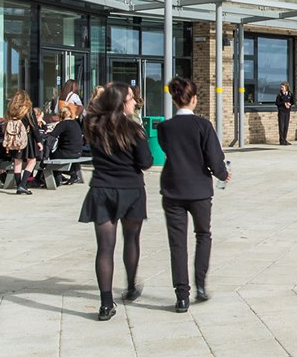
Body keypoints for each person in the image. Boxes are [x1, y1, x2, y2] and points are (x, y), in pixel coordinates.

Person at [78, 82, 154, 321]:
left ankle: (106, 303)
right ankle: (131, 286)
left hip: (102, 190)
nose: (135, 102)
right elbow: (146, 162)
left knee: (105, 248)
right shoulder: (134, 130)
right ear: (122, 103)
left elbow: (91, 112)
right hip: (131, 190)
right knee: (131, 239)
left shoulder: (92, 126)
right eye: (131, 98)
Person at [158, 77, 230, 313]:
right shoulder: (203, 126)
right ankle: (200, 284)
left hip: (173, 188)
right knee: (203, 235)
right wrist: (222, 174)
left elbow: (168, 150)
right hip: (199, 189)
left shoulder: (164, 128)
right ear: (195, 99)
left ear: (174, 99)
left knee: (177, 244)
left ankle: (182, 296)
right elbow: (214, 157)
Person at [3, 90, 43, 195]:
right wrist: (39, 141)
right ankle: (23, 184)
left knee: (17, 161)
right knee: (32, 161)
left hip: (14, 139)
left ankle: (19, 185)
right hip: (27, 139)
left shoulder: (11, 111)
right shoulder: (28, 110)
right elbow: (34, 127)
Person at [48, 102, 85, 185]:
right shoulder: (75, 123)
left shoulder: (62, 124)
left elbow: (52, 136)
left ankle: (57, 178)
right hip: (78, 152)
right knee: (59, 152)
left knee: (51, 155)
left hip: (67, 153)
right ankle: (72, 174)